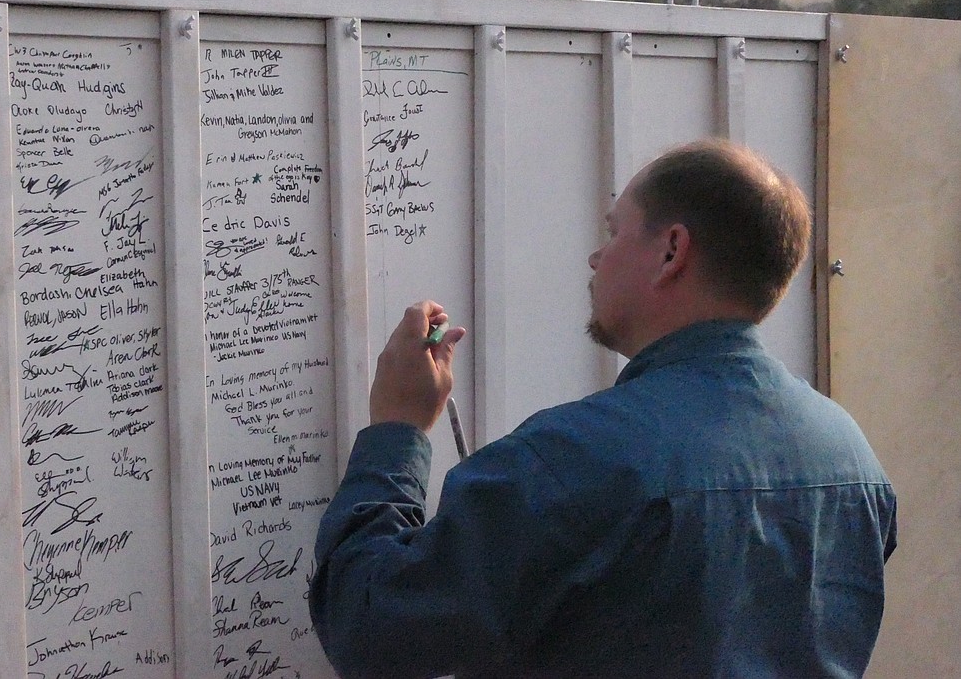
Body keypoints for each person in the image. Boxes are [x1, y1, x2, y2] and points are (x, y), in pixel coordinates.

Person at [309, 139, 897, 679]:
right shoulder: (851, 457)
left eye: (614, 231)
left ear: (671, 251)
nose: (596, 257)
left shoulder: (576, 459)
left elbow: (369, 630)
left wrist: (397, 430)